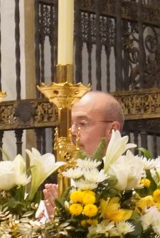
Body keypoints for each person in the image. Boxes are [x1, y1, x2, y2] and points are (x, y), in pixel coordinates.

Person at [39, 90, 126, 220]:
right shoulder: (57, 183)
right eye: (70, 124)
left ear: (112, 130)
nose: (72, 132)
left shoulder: (130, 182)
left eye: (83, 124)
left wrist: (64, 220)